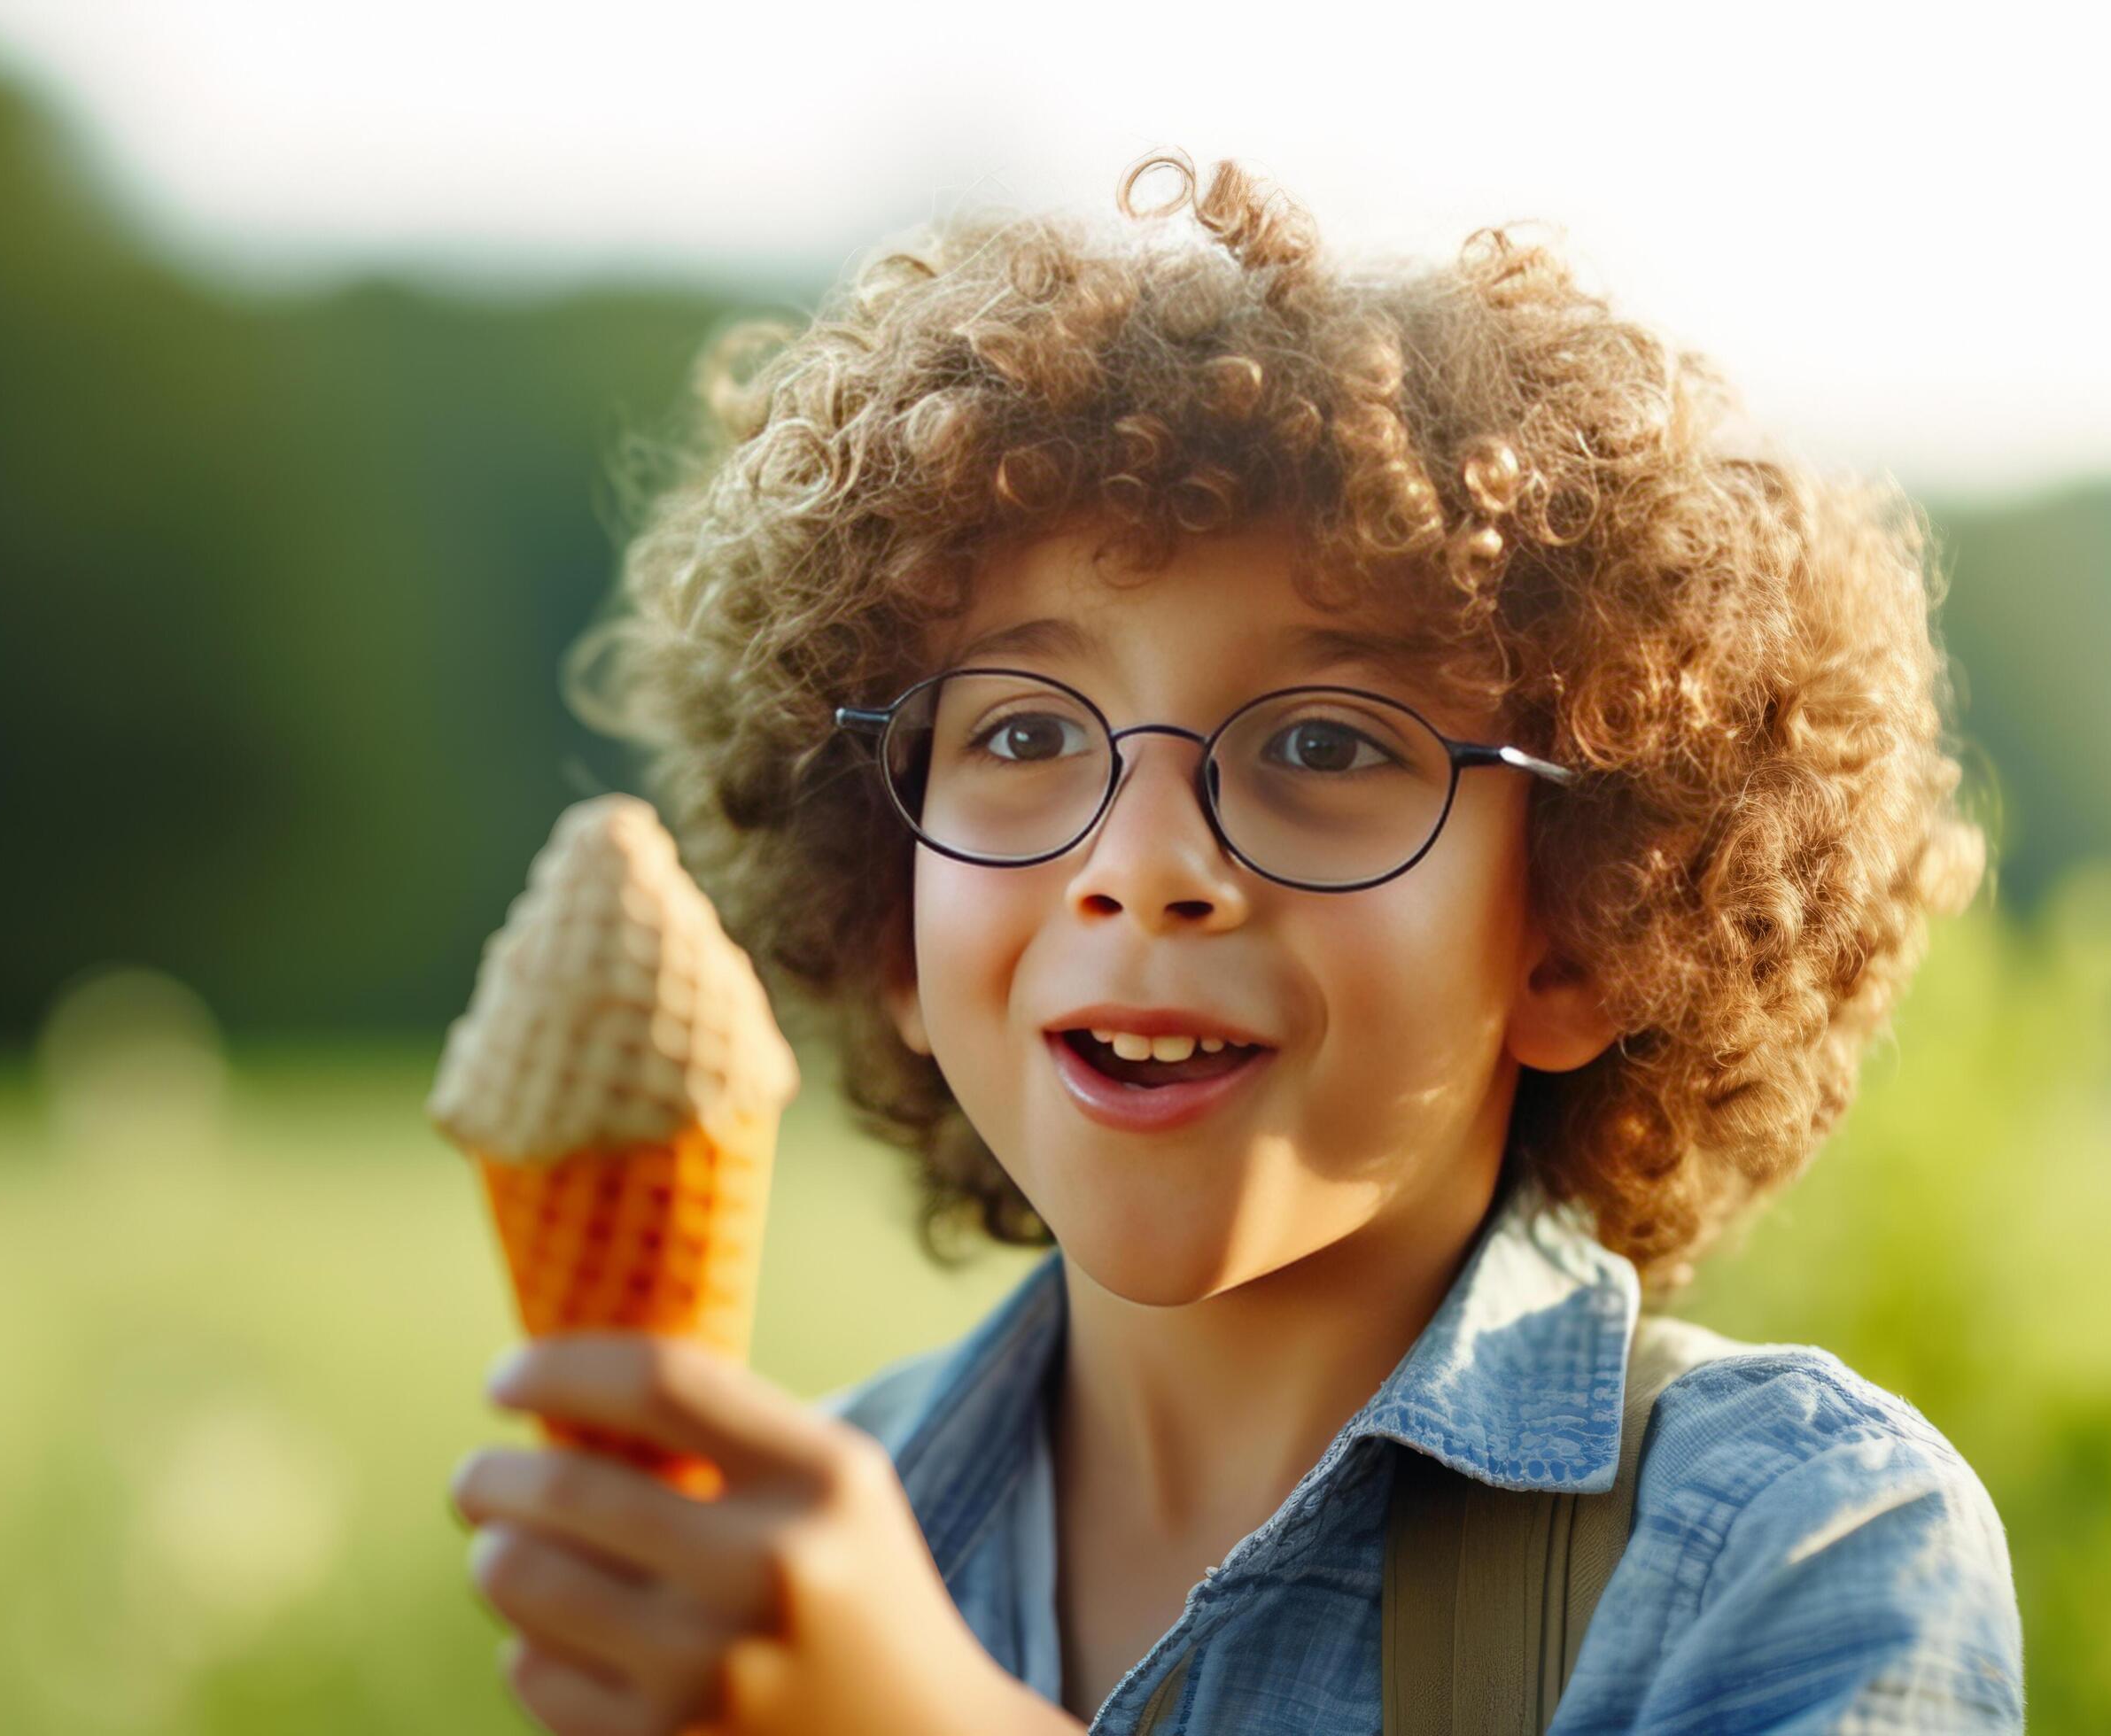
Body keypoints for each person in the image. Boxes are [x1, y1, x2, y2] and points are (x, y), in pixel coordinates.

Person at [445, 149, 2025, 1732]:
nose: (1140, 870)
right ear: (884, 907)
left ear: (1577, 935)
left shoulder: (1788, 1537)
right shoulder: (777, 1571)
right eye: (1015, 734)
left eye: (1326, 748)